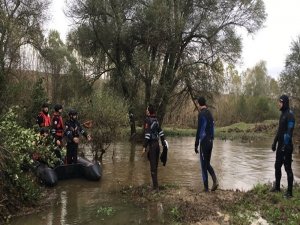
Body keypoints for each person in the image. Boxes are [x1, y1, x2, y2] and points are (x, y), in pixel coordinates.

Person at [271, 95, 295, 198]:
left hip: (287, 146)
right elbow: (279, 131)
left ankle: (289, 193)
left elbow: (289, 132)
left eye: (280, 102)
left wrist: (285, 145)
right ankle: (277, 187)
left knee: (288, 168)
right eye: (278, 102)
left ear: (284, 103)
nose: (278, 104)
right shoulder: (282, 115)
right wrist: (274, 142)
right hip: (280, 146)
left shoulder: (290, 115)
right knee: (277, 166)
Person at [194, 97, 218, 192]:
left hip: (204, 142)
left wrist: (196, 144)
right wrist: (211, 138)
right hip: (210, 142)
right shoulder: (210, 113)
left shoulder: (201, 114)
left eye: (198, 104)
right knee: (207, 163)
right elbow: (212, 127)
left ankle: (206, 188)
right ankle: (215, 181)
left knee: (203, 165)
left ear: (199, 104)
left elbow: (199, 130)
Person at [142, 104, 167, 191]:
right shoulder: (156, 120)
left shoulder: (147, 120)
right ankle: (155, 185)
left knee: (152, 166)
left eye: (146, 109)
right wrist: (163, 142)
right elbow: (161, 132)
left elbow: (147, 134)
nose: (146, 110)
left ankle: (155, 187)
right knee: (155, 165)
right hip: (157, 145)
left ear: (149, 111)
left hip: (152, 146)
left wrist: (144, 146)